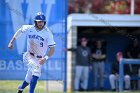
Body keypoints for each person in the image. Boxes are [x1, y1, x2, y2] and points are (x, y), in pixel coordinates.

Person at [8, 12, 56, 93]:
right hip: (29, 56)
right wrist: (11, 41)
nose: (41, 23)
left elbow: (52, 49)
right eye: (39, 21)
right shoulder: (29, 28)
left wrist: (46, 58)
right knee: (36, 71)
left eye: (42, 21)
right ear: (35, 21)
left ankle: (21, 88)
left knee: (29, 78)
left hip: (40, 58)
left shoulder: (48, 33)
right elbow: (20, 30)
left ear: (45, 22)